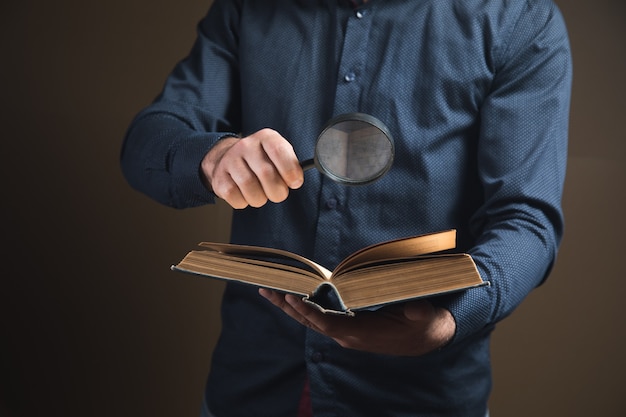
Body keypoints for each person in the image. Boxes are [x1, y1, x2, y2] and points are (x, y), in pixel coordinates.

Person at [120, 0, 572, 415]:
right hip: (250, 388)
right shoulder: (248, 8)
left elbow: (526, 221)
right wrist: (213, 156)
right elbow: (148, 139)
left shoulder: (519, 18)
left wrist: (448, 323)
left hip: (420, 398)